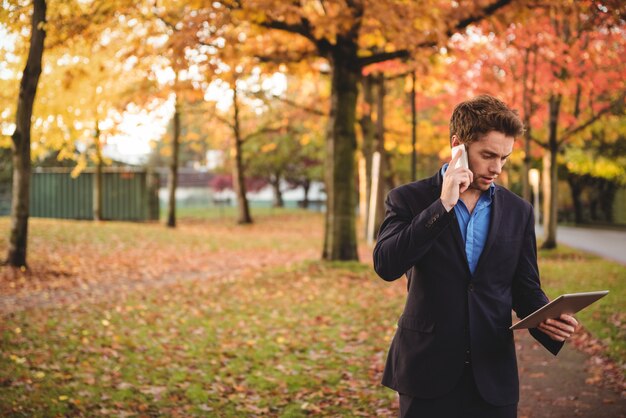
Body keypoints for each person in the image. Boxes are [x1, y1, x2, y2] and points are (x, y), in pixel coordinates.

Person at [373, 95, 579, 418]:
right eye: (488, 155)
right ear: (457, 145)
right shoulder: (408, 199)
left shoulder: (519, 211)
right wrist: (443, 205)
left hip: (493, 376)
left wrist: (547, 319)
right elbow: (386, 264)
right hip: (426, 372)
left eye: (504, 158)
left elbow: (524, 289)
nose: (497, 168)